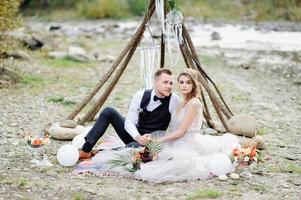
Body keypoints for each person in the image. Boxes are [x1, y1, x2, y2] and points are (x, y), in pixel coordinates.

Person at [92, 69, 240, 183]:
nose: (183, 85)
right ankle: (88, 149)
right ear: (156, 82)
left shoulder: (193, 103)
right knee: (113, 117)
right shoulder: (180, 102)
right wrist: (144, 137)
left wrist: (159, 140)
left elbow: (181, 131)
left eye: (188, 82)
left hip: (187, 141)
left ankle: (116, 151)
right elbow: (130, 120)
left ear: (194, 85)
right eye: (181, 82)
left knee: (146, 155)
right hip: (168, 137)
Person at [79, 68, 180, 159]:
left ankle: (106, 152)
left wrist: (156, 142)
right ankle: (86, 150)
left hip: (152, 143)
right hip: (135, 135)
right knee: (108, 111)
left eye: (171, 83)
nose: (169, 86)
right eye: (165, 82)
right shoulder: (140, 95)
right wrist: (137, 137)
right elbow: (129, 122)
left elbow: (175, 128)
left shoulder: (174, 100)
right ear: (155, 82)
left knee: (132, 147)